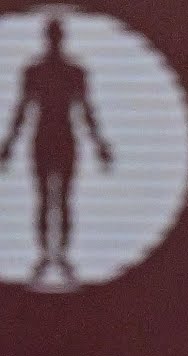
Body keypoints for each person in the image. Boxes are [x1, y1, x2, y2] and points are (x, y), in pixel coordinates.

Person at [0, 17, 113, 285]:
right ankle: (49, 254)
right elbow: (23, 110)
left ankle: (57, 254)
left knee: (59, 197)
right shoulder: (42, 72)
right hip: (51, 137)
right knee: (49, 197)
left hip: (56, 137)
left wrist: (100, 145)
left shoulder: (68, 72)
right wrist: (8, 145)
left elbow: (85, 111)